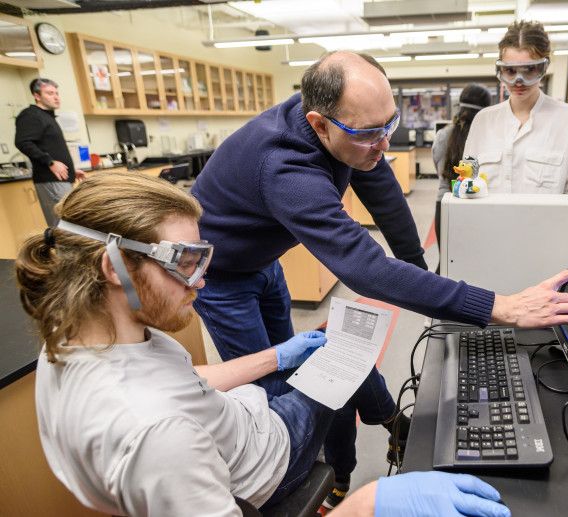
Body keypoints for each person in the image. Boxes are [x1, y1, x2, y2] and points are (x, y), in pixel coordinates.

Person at [190, 50, 568, 508]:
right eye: (369, 133)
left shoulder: (351, 128)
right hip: (221, 279)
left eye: (389, 124)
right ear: (320, 125)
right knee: (272, 395)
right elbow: (365, 268)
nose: (383, 143)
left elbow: (387, 200)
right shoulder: (284, 164)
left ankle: (363, 448)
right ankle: (323, 479)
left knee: (303, 367)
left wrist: (422, 278)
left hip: (265, 264)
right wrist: (500, 306)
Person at [17, 171, 511, 517]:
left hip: (240, 423)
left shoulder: (76, 342)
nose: (201, 282)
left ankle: (386, 430)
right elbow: (166, 423)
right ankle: (359, 467)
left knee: (324, 346)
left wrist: (278, 355)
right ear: (113, 267)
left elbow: (185, 381)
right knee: (346, 351)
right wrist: (368, 505)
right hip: (269, 462)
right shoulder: (159, 438)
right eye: (184, 263)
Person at [463, 21, 568, 194]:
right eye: (510, 71)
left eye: (530, 69)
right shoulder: (483, 120)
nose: (519, 81)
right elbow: (468, 183)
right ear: (500, 70)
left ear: (544, 67)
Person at [432, 83, 492, 274]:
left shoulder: (444, 134)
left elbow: (438, 165)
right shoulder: (489, 136)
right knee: (475, 261)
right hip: (478, 203)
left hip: (446, 202)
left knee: (447, 262)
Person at [14, 78, 86, 226]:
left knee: (70, 224)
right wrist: (50, 162)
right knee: (63, 226)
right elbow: (23, 142)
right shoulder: (31, 115)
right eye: (49, 93)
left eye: (56, 93)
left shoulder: (48, 116)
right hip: (51, 179)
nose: (56, 97)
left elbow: (50, 147)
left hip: (60, 178)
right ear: (37, 96)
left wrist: (70, 170)